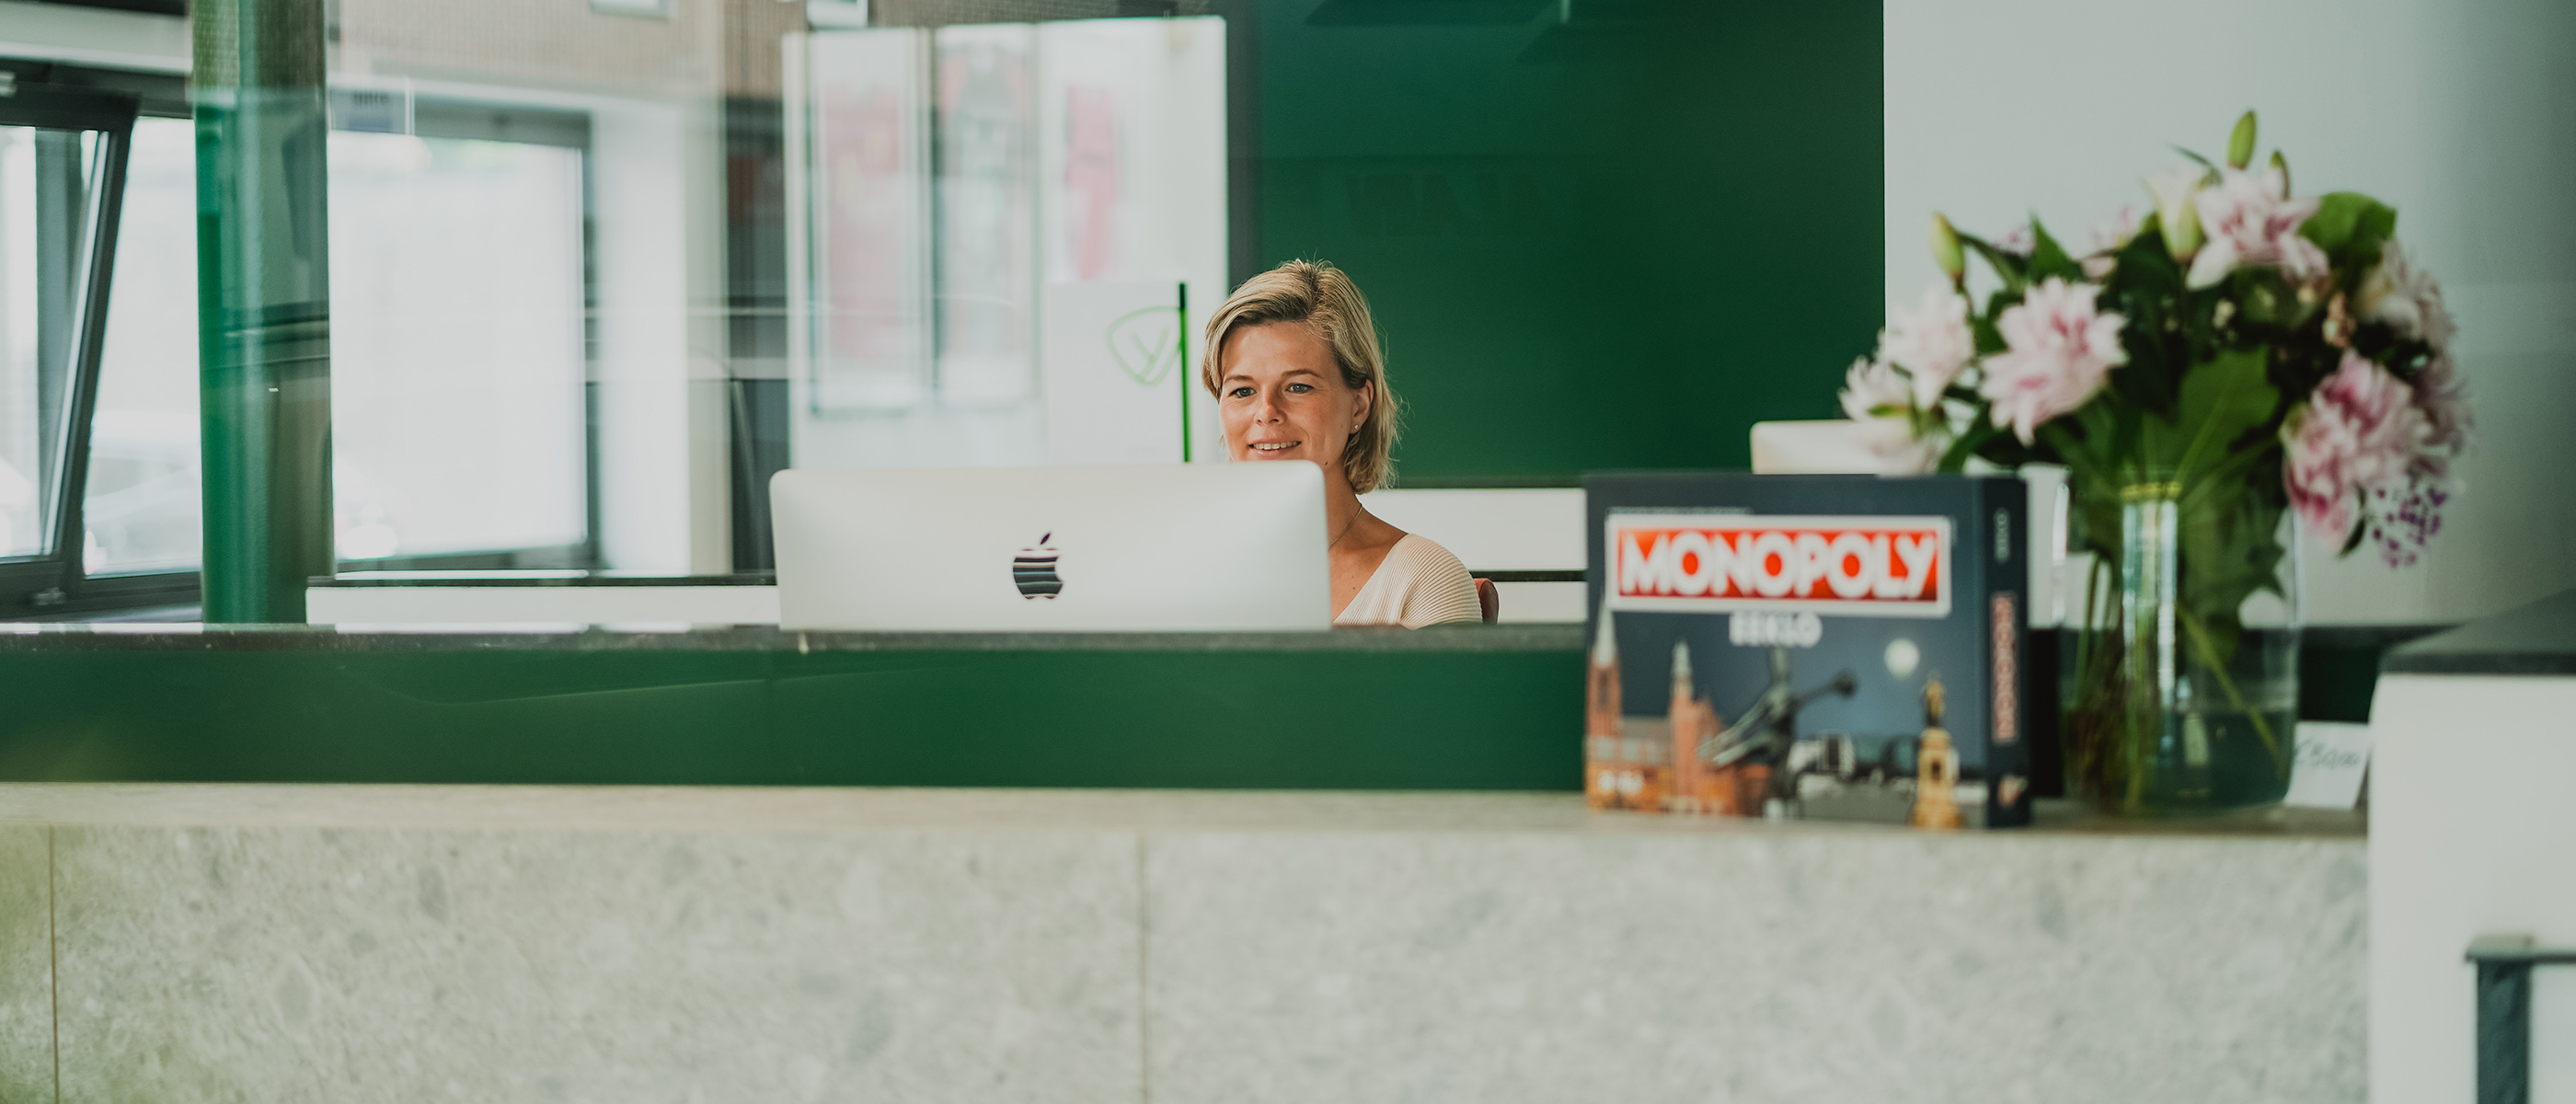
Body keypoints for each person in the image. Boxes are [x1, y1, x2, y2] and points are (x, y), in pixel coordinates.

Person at [1200, 260, 1482, 627]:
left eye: (1298, 386)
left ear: (1359, 405)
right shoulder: (1186, 574)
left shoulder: (1424, 580)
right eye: (1242, 391)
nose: (1266, 412)